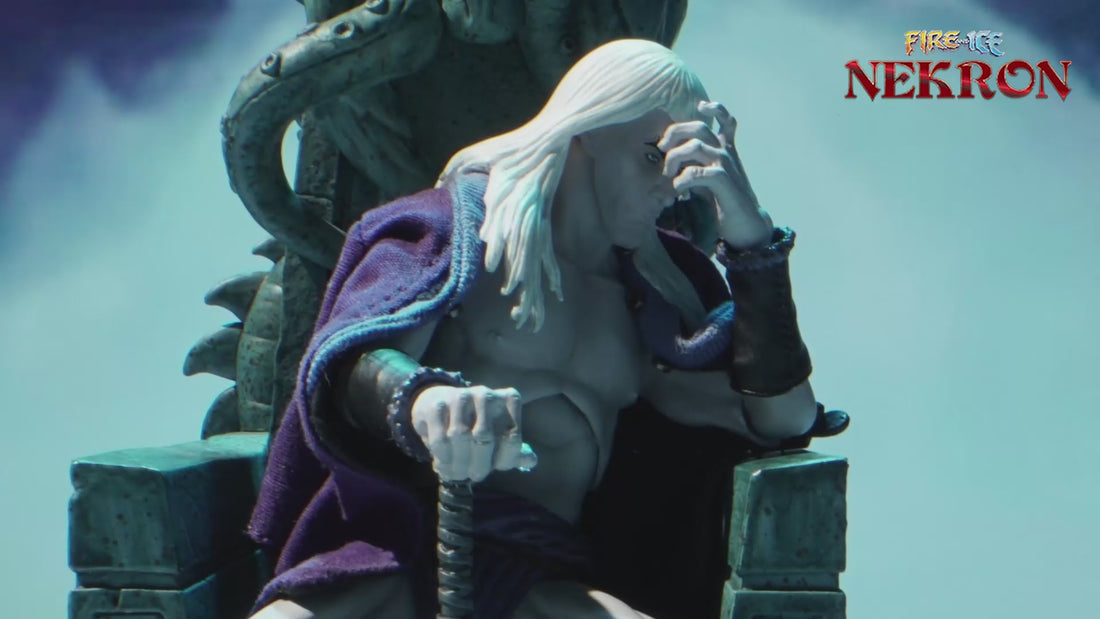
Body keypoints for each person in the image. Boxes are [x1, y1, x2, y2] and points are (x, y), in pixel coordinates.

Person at [248, 38, 847, 619]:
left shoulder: (658, 298)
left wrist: (751, 236)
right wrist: (420, 398)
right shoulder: (458, 236)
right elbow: (352, 360)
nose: (667, 189)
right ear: (589, 126)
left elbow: (785, 417)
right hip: (393, 554)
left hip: (538, 576)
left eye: (678, 171)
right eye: (650, 158)